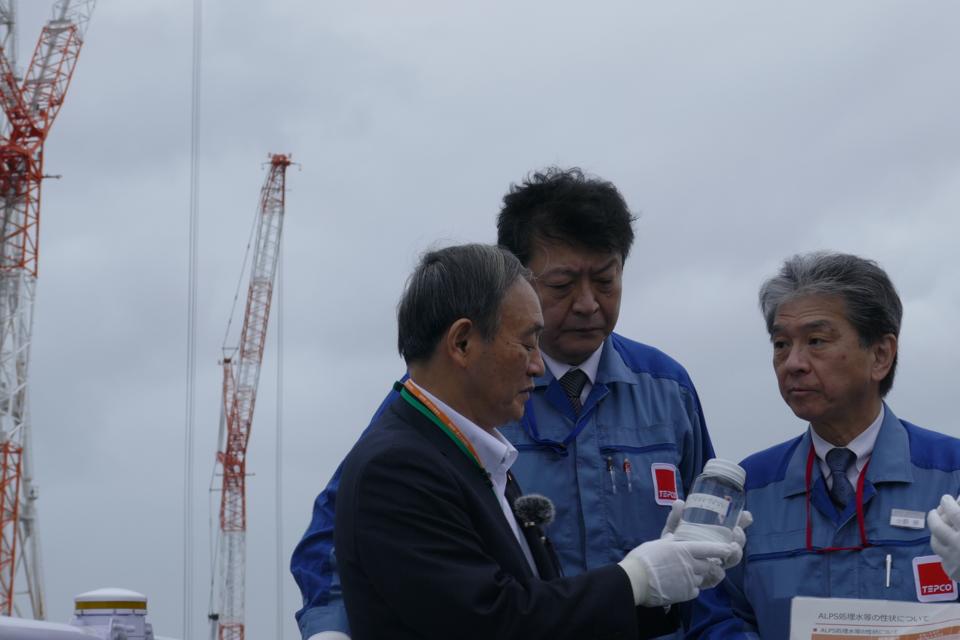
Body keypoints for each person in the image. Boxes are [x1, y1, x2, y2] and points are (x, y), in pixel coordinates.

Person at [292, 168, 722, 639]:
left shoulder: (668, 390)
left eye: (605, 280)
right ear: (517, 281)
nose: (587, 303)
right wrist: (329, 632)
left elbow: (709, 576)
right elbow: (343, 541)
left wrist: (677, 575)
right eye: (562, 285)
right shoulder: (441, 408)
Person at [689, 252, 960, 639]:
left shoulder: (951, 475)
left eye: (816, 341)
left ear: (881, 355)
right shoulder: (749, 490)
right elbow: (715, 617)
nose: (793, 363)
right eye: (781, 344)